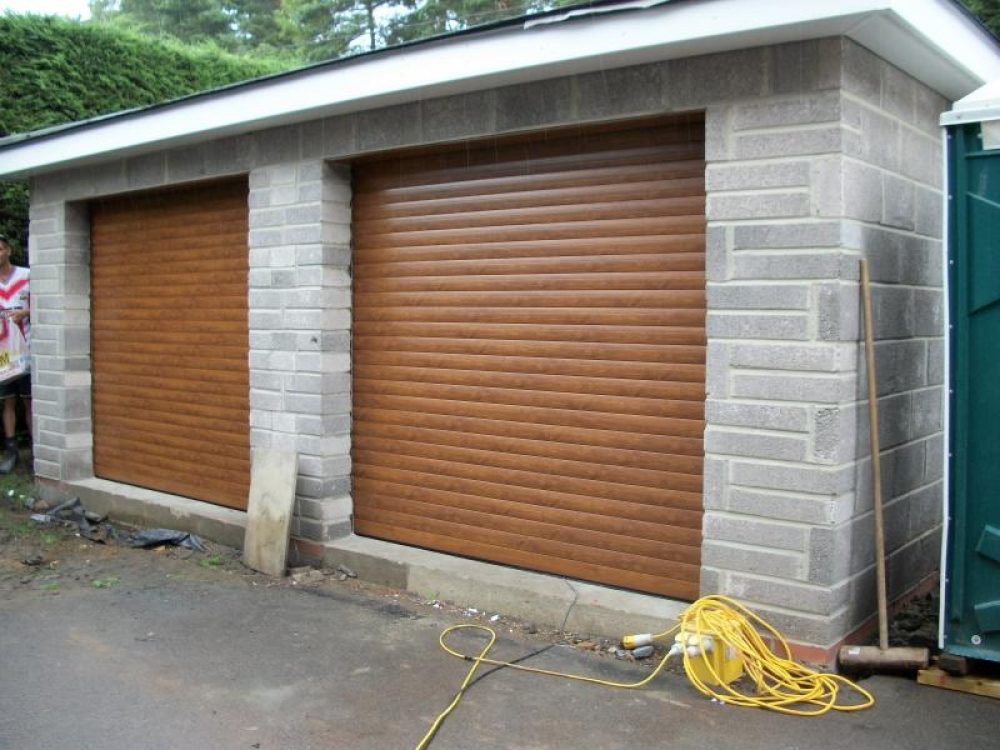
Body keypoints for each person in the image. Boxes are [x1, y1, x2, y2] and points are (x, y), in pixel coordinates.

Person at [0, 234, 29, 474]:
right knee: (6, 401)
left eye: (0, 249)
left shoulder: (26, 275)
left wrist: (25, 313)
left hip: (28, 347)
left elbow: (41, 304)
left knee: (30, 399)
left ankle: (37, 451)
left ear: (8, 250)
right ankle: (11, 452)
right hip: (3, 352)